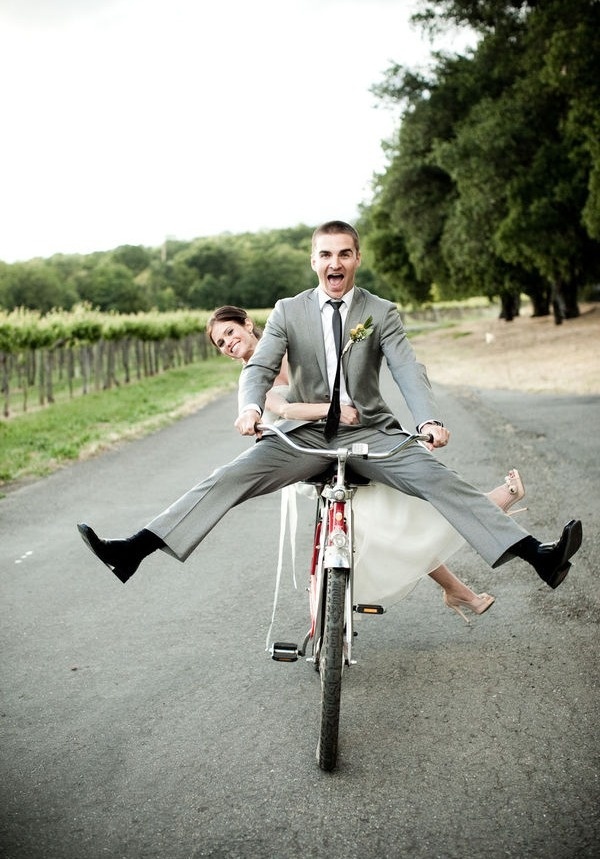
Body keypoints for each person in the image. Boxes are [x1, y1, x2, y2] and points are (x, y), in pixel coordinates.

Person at [77, 220, 582, 597]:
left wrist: (428, 420)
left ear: (356, 258)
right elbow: (258, 370)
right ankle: (134, 549)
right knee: (228, 477)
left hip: (375, 435)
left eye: (344, 253)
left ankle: (537, 556)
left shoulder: (380, 312)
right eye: (325, 254)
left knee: (441, 481)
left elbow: (408, 369)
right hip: (306, 440)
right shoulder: (286, 312)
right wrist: (250, 408)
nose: (334, 263)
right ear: (313, 262)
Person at [206, 304, 528, 621]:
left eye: (230, 332)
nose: (228, 343)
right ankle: (485, 513)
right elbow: (287, 410)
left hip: (353, 440)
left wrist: (398, 439)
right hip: (315, 458)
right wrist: (330, 410)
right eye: (221, 343)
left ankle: (461, 579)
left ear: (247, 324)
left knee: (395, 516)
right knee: (392, 517)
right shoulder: (253, 376)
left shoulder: (290, 345)